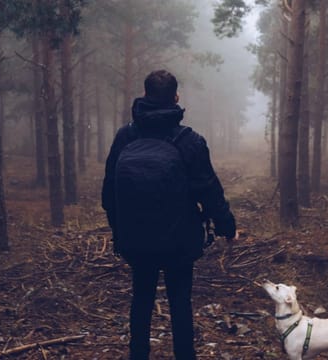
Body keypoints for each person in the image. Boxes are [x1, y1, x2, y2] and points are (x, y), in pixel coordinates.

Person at [101, 69, 236, 360]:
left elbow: (108, 193)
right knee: (179, 302)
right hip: (179, 241)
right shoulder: (189, 141)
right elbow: (209, 191)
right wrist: (227, 227)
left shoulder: (125, 136)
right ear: (175, 97)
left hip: (135, 239)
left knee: (141, 299)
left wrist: (120, 230)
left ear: (144, 95)